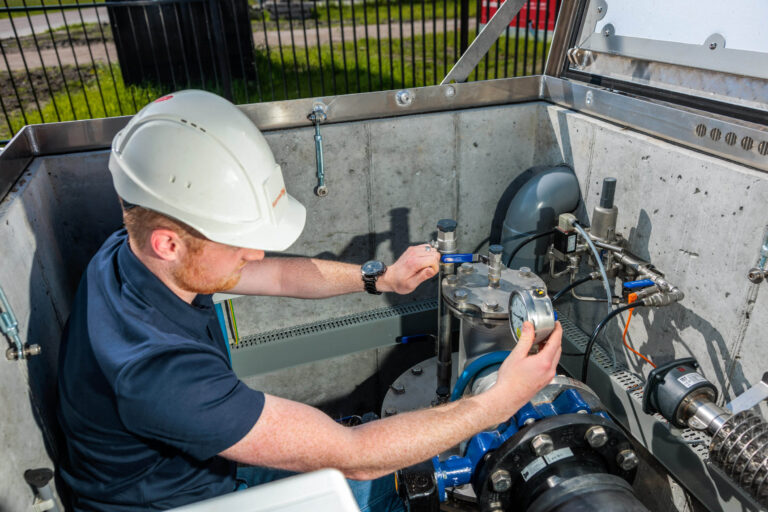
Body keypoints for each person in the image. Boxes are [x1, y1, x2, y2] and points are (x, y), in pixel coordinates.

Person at [57, 90, 562, 511]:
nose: (255, 252)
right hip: (176, 502)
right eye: (238, 240)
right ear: (168, 242)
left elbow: (273, 275)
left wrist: (383, 278)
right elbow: (355, 454)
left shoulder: (131, 251)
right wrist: (497, 402)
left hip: (185, 469)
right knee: (389, 488)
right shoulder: (160, 374)